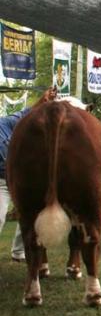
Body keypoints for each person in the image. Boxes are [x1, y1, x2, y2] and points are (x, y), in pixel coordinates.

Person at [0, 86, 57, 262]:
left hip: (18, 180)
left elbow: (26, 114)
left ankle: (18, 251)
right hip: (1, 181)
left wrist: (43, 99)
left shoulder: (5, 123)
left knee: (28, 217)